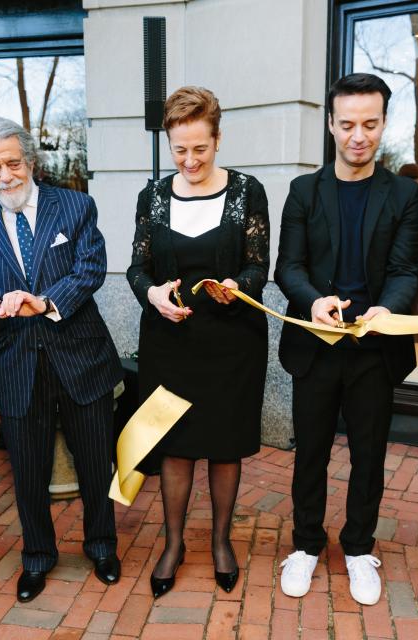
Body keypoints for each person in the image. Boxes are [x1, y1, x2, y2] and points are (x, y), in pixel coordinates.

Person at [0, 117, 123, 603]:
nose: (4, 175)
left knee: (95, 463)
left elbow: (90, 270)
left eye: (12, 163)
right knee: (27, 472)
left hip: (80, 357)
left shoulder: (75, 206)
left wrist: (44, 301)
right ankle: (37, 557)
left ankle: (101, 545)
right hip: (16, 364)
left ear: (30, 160)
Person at [274, 73, 418, 605]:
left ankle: (359, 547)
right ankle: (307, 545)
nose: (359, 135)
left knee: (369, 455)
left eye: (370, 123)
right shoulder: (303, 191)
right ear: (332, 125)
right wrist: (312, 300)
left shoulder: (404, 193)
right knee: (308, 453)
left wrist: (392, 306)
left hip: (374, 349)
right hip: (315, 346)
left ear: (383, 124)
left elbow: (407, 269)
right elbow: (287, 266)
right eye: (348, 124)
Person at [127, 86, 270, 598]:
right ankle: (172, 543)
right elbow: (135, 267)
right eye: (180, 149)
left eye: (200, 149)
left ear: (217, 139)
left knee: (225, 445)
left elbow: (258, 264)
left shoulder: (249, 191)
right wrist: (152, 293)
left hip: (233, 343)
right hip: (171, 340)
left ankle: (220, 542)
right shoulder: (153, 196)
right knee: (175, 447)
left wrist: (241, 286)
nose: (190, 160)